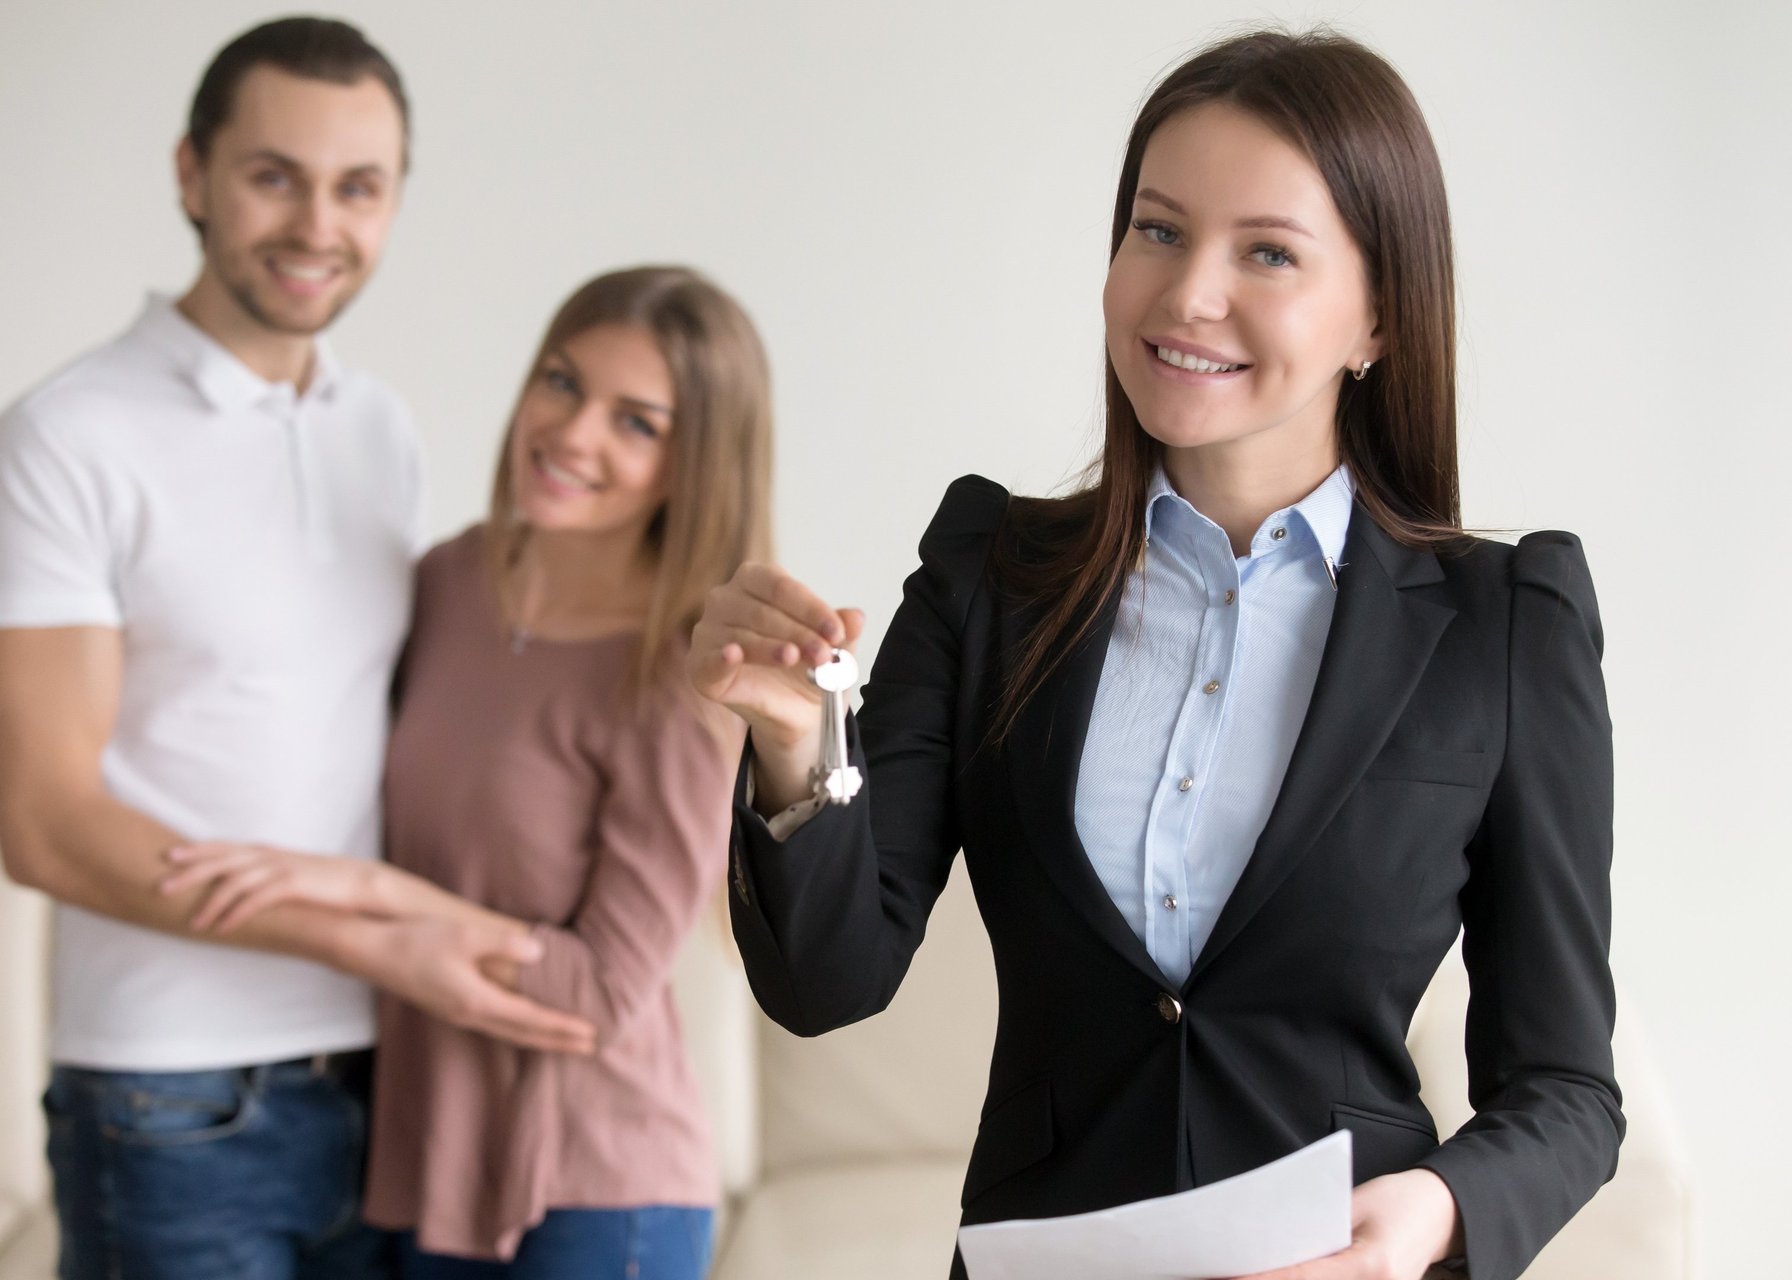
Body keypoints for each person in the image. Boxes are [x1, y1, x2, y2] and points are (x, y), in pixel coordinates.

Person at [689, 28, 1620, 1280]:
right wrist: (795, 746)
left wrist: (1431, 1213)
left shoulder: (1504, 622)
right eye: (1158, 229)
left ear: (1380, 315)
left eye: (1269, 253)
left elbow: (1564, 1086)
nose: (1187, 295)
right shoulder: (992, 571)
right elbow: (826, 981)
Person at [0, 17, 591, 1279]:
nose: (318, 224)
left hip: (392, 1071)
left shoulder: (379, 428)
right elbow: (43, 819)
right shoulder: (64, 438)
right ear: (192, 174)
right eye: (273, 175)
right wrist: (369, 937)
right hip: (169, 1097)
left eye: (358, 186)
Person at [160, 265, 773, 1279]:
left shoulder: (679, 670)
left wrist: (366, 890)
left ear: (695, 462)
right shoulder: (445, 582)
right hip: (416, 1161)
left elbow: (600, 989)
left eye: (637, 422)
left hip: (599, 1189)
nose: (572, 433)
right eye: (562, 382)